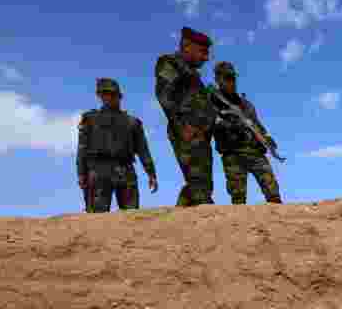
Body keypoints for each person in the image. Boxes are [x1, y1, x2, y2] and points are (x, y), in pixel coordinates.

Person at [155, 27, 217, 206]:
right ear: (187, 46)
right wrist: (181, 126)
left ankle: (180, 219)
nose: (206, 58)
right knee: (199, 186)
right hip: (186, 131)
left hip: (201, 134)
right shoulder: (170, 63)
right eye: (203, 52)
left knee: (202, 185)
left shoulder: (194, 76)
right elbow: (164, 95)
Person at [76, 78, 158, 212]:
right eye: (105, 94)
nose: (108, 97)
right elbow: (82, 149)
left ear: (119, 96)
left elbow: (143, 150)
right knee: (97, 219)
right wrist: (81, 174)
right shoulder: (90, 119)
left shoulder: (132, 122)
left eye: (112, 94)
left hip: (125, 170)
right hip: (98, 171)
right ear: (99, 96)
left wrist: (151, 174)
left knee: (131, 216)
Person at [211, 62, 282, 204]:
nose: (232, 82)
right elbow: (211, 121)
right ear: (218, 79)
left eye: (233, 78)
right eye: (227, 78)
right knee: (238, 199)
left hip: (255, 152)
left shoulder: (246, 104)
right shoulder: (212, 101)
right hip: (233, 154)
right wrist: (230, 125)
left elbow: (256, 124)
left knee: (273, 193)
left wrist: (267, 137)